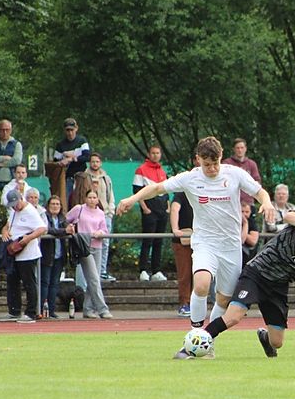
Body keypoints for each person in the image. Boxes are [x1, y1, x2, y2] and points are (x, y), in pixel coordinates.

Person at [117, 136, 276, 335]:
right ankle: (195, 335)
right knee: (201, 284)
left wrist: (266, 203)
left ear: (221, 156)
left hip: (230, 245)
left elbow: (260, 192)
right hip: (204, 242)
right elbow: (157, 188)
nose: (212, 169)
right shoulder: (190, 178)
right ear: (198, 159)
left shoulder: (234, 174)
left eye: (215, 163)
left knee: (223, 300)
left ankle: (208, 339)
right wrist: (132, 199)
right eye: (207, 164)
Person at [191, 208, 295, 359]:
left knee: (277, 342)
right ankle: (195, 343)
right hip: (257, 274)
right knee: (233, 317)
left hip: (278, 286)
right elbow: (289, 216)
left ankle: (265, 338)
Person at [0, 189, 46, 323]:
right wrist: (4, 231)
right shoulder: (14, 211)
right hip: (15, 253)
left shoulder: (30, 211)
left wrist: (28, 238)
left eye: (16, 204)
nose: (15, 207)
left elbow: (42, 228)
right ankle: (14, 311)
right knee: (12, 282)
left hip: (27, 254)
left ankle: (31, 312)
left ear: (21, 198)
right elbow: (7, 225)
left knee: (29, 283)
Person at [66, 191, 112, 319]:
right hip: (84, 247)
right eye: (90, 197)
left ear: (97, 199)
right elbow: (65, 219)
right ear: (85, 198)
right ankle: (102, 309)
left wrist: (100, 232)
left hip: (97, 246)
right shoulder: (79, 209)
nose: (92, 200)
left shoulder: (100, 213)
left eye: (94, 197)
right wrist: (70, 228)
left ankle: (88, 308)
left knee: (94, 279)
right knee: (93, 278)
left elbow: (104, 229)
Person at [132, 146, 169, 282]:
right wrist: (144, 208)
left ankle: (156, 271)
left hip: (162, 210)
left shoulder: (162, 171)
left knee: (159, 241)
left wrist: (168, 207)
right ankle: (143, 270)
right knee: (148, 240)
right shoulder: (141, 170)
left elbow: (166, 191)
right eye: (153, 153)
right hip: (149, 210)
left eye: (158, 153)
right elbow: (136, 191)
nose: (155, 155)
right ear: (148, 154)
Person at [86, 152, 116, 280]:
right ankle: (91, 271)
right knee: (89, 242)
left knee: (105, 243)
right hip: (89, 214)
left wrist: (111, 210)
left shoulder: (106, 178)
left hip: (105, 214)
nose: (95, 164)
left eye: (97, 161)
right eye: (93, 161)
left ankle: (102, 270)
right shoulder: (85, 177)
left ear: (101, 163)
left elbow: (110, 194)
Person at [40, 195, 67, 319]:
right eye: (53, 204)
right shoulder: (44, 217)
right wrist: (64, 231)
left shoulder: (62, 219)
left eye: (57, 204)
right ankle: (41, 309)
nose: (55, 206)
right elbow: (47, 230)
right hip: (47, 255)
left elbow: (69, 229)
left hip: (59, 256)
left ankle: (51, 310)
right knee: (45, 283)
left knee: (55, 284)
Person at [53, 118, 91, 199]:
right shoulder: (60, 145)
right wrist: (61, 162)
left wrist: (72, 158)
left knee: (83, 198)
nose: (70, 133)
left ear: (76, 128)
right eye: (68, 130)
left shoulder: (82, 141)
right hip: (67, 178)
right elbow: (55, 162)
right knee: (66, 200)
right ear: (64, 130)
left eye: (72, 130)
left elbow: (87, 157)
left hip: (82, 176)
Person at [170, 190, 194, 317]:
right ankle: (184, 303)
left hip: (199, 238)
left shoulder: (202, 192)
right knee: (185, 273)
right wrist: (175, 229)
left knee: (198, 274)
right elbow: (174, 209)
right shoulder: (181, 194)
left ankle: (194, 303)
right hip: (183, 239)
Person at [222, 137, 262, 207]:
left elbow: (257, 181)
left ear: (245, 149)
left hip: (248, 203)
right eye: (237, 148)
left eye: (242, 148)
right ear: (233, 149)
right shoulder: (227, 163)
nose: (240, 150)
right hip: (232, 202)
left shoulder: (252, 164)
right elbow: (224, 182)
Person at [241, 201, 260, 265]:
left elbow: (253, 241)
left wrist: (245, 224)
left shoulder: (251, 222)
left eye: (247, 212)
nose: (244, 214)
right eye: (242, 211)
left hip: (248, 255)